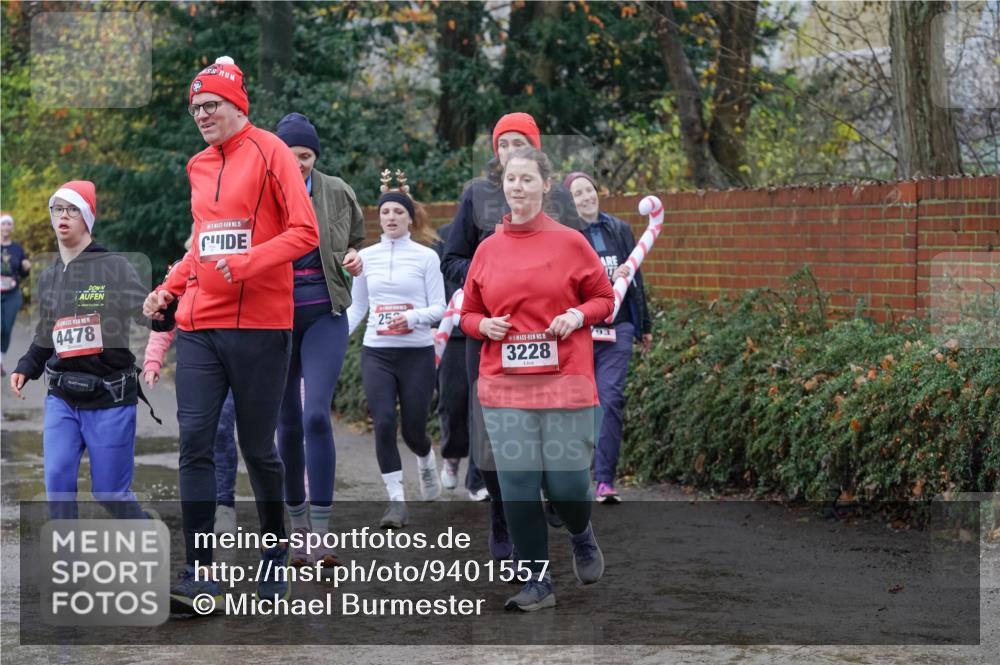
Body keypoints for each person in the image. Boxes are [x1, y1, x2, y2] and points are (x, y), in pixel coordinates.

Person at [143, 56, 319, 610]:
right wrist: (169, 289)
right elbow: (202, 242)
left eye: (211, 105)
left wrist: (248, 264)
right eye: (195, 108)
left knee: (258, 449)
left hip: (262, 325)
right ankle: (200, 572)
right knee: (194, 445)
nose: (202, 115)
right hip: (200, 325)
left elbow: (304, 232)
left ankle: (273, 555)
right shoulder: (198, 165)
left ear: (237, 104)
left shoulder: (272, 153)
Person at [460, 147, 614, 611]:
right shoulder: (487, 249)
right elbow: (468, 312)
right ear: (502, 186)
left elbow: (604, 299)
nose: (518, 187)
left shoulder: (570, 242)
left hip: (565, 381)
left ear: (547, 186)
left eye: (527, 179)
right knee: (519, 486)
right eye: (511, 179)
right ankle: (537, 583)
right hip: (504, 385)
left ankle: (580, 531)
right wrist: (482, 327)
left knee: (567, 488)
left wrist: (576, 313)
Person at [441, 111, 584, 560]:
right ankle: (501, 524)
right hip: (492, 336)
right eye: (502, 145)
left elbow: (580, 268)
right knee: (493, 435)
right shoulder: (477, 195)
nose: (508, 153)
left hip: (548, 337)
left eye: (518, 144)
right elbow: (452, 260)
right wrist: (491, 279)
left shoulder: (558, 201)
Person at [9, 181, 154, 520]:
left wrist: (161, 310)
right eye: (57, 209)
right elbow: (47, 333)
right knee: (57, 483)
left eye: (73, 209)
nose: (63, 216)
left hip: (109, 397)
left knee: (110, 493)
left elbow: (146, 314)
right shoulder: (49, 276)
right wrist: (26, 365)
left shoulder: (115, 266)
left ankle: (146, 534)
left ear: (88, 217)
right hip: (62, 395)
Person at [274, 112, 365, 567]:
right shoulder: (262, 191)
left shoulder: (338, 191)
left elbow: (357, 241)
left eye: (306, 156)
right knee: (286, 423)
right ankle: (297, 530)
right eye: (291, 156)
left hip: (325, 314)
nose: (299, 164)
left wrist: (353, 257)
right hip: (273, 318)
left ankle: (322, 535)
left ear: (315, 156)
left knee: (314, 417)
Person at [345, 171, 446, 529]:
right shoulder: (365, 258)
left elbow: (440, 308)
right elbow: (358, 307)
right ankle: (396, 502)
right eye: (385, 212)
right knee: (384, 422)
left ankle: (425, 459)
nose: (390, 217)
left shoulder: (426, 257)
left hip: (416, 353)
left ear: (409, 218)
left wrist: (414, 318)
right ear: (379, 217)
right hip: (378, 352)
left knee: (414, 431)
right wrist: (332, 338)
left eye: (398, 212)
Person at [142, 234, 239, 535]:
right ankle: (201, 510)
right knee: (196, 437)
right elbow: (164, 322)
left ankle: (225, 505)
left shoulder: (229, 267)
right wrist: (153, 361)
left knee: (224, 431)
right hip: (197, 366)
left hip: (236, 361)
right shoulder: (181, 274)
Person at [566, 172, 653, 503]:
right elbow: (565, 284)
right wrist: (604, 276)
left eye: (589, 190)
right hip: (581, 331)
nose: (586, 197)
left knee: (611, 399)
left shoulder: (619, 229)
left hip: (619, 328)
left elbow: (636, 279)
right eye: (578, 194)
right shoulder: (567, 237)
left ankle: (604, 480)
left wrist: (644, 325)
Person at [431, 220, 487, 501]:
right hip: (452, 331)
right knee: (452, 403)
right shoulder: (445, 236)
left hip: (486, 332)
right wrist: (434, 321)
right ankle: (452, 455)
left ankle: (477, 479)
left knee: (481, 407)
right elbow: (435, 279)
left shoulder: (500, 234)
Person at [1, 212, 31, 376]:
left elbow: (23, 272)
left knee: (6, 329)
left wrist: (26, 266)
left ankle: (0, 361)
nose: (6, 227)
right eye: (3, 223)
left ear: (12, 227)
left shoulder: (17, 249)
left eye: (9, 224)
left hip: (12, 294)